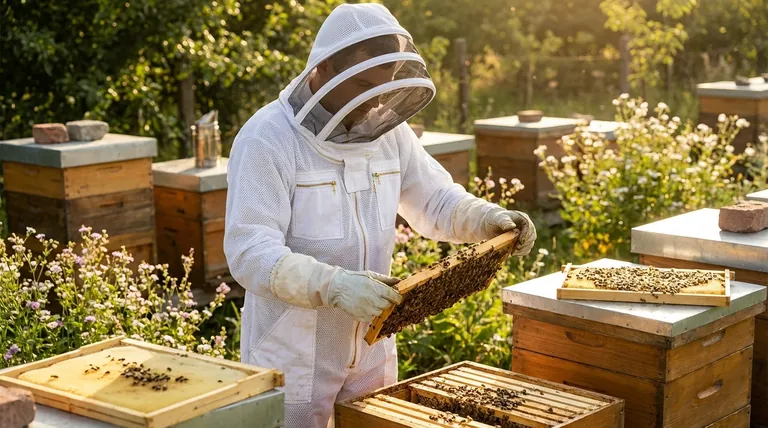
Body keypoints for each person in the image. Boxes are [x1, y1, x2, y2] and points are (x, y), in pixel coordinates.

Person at [223, 3, 537, 427]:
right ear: (324, 68)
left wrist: (486, 218)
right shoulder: (268, 138)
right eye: (363, 84)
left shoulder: (389, 133)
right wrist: (333, 285)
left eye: (384, 86)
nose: (374, 100)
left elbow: (435, 199)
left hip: (372, 343)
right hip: (294, 350)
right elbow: (250, 251)